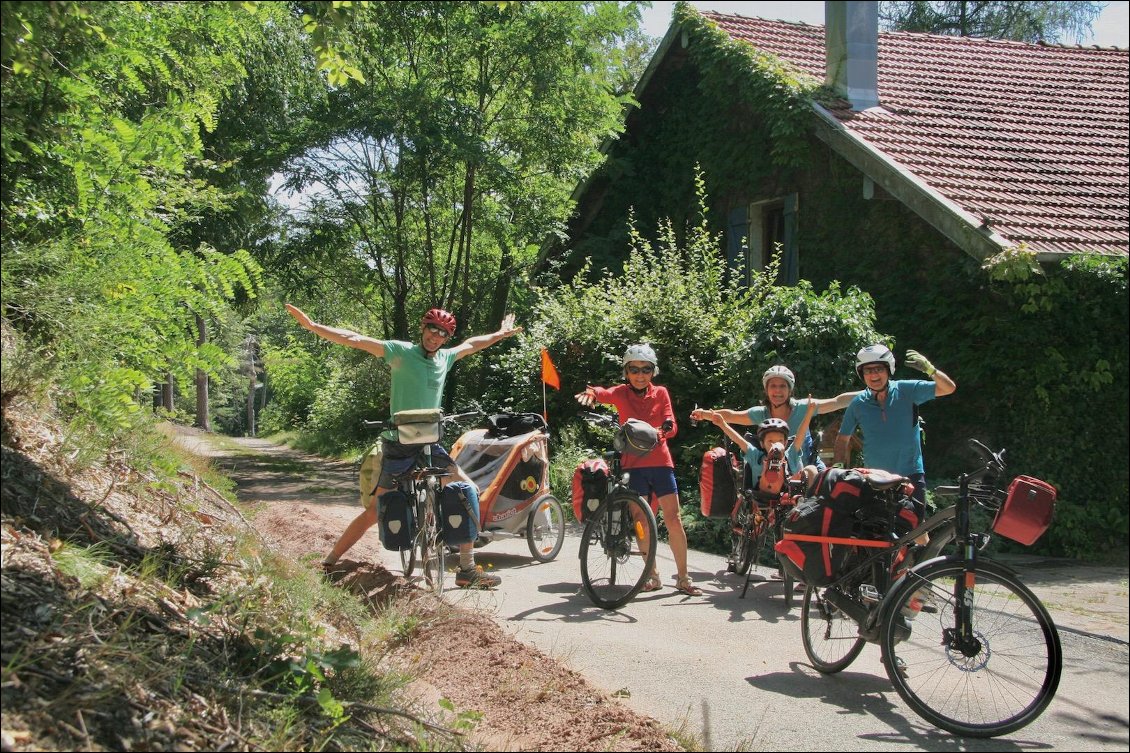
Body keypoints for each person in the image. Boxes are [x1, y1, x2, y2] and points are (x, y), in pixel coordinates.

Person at [285, 303, 521, 589]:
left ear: (446, 338)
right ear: (423, 329)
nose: (435, 337)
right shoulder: (400, 352)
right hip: (399, 444)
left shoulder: (445, 357)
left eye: (442, 334)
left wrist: (500, 333)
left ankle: (467, 568)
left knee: (467, 490)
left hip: (429, 444)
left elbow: (472, 344)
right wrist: (313, 327)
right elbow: (355, 339)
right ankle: (330, 561)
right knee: (375, 510)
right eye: (432, 330)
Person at [574, 344, 702, 596]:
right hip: (633, 466)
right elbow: (603, 393)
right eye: (634, 369)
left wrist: (662, 431)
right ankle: (652, 576)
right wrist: (590, 392)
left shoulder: (661, 392)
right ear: (626, 372)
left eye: (645, 369)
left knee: (673, 519)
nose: (640, 374)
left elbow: (671, 423)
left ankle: (684, 578)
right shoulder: (622, 393)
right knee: (642, 519)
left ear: (653, 371)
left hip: (661, 463)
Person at [834, 345, 956, 521]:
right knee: (877, 531)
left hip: (910, 473)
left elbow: (948, 388)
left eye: (878, 369)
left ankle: (926, 549)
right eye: (868, 370)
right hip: (875, 478)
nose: (874, 375)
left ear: (888, 369)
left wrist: (930, 369)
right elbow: (842, 438)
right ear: (862, 374)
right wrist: (838, 468)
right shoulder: (858, 404)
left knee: (915, 528)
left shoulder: (907, 390)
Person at [694, 365, 858, 477]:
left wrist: (869, 392)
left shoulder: (803, 407)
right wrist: (703, 414)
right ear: (766, 390)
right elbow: (730, 415)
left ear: (790, 390)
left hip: (809, 466)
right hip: (775, 471)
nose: (778, 391)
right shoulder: (760, 413)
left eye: (782, 386)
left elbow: (838, 401)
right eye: (773, 386)